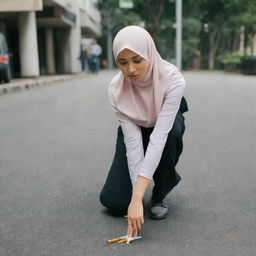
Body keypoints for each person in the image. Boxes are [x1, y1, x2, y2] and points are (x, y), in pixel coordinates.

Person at [100, 26, 188, 240]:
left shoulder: (173, 80)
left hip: (164, 128)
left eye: (137, 60)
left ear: (148, 53)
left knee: (169, 135)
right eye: (123, 62)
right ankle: (139, 187)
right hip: (136, 128)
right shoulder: (116, 90)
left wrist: (140, 197)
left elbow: (158, 138)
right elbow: (133, 145)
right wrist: (134, 199)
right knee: (113, 202)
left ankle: (159, 194)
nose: (130, 69)